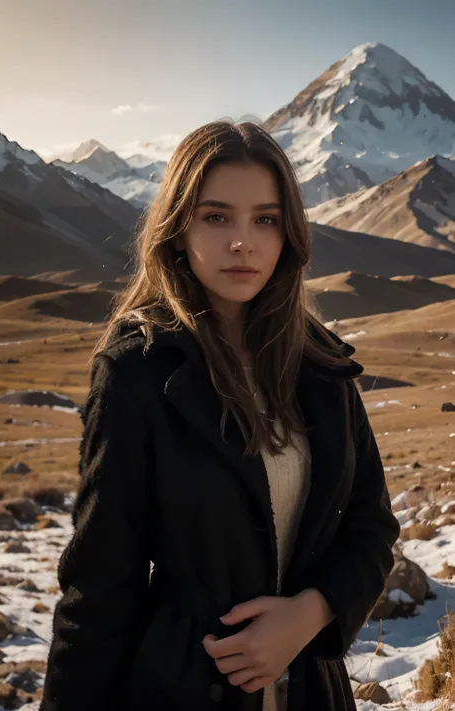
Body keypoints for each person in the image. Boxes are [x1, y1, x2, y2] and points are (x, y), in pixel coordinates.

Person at [39, 120, 400, 711]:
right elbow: (101, 585)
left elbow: (372, 524)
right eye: (216, 217)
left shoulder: (321, 362)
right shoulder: (137, 371)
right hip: (182, 689)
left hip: (312, 689)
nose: (243, 241)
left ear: (289, 234)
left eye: (265, 218)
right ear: (178, 229)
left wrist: (310, 614)